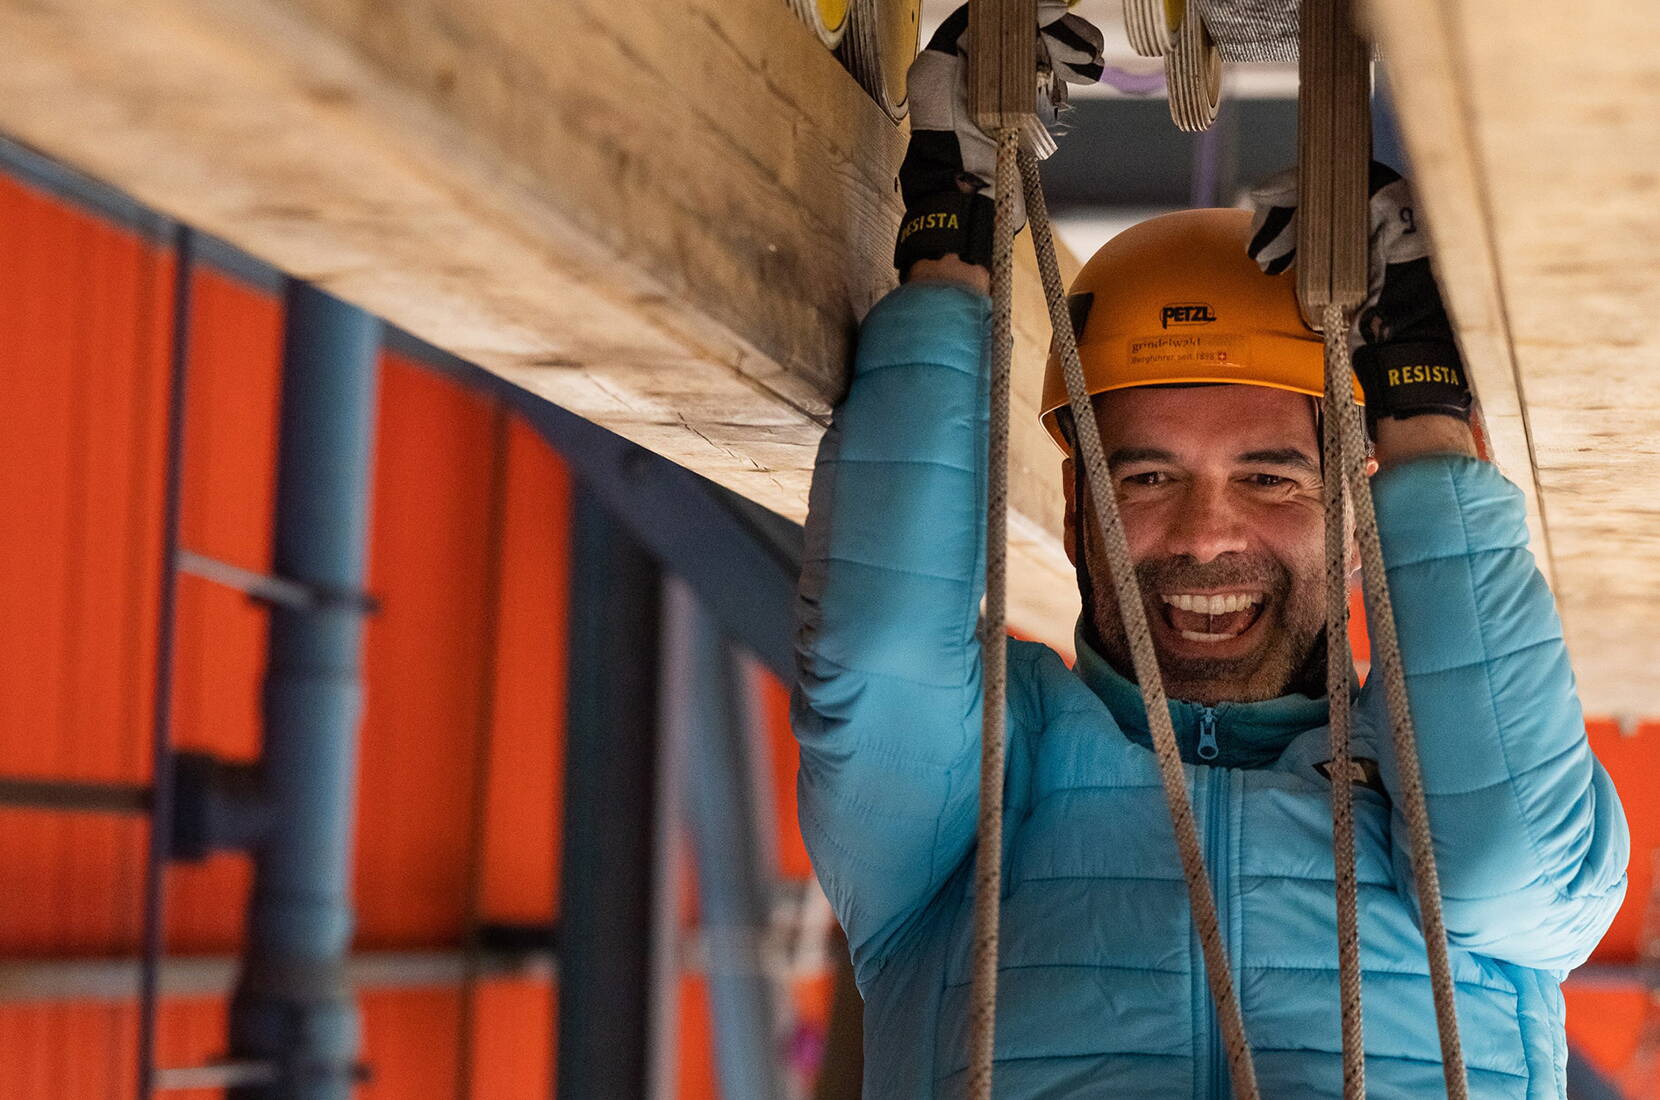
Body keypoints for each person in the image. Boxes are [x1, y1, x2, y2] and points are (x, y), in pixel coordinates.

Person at [791, 6, 1630, 1097]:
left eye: (1269, 477)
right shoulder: (978, 790)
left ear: (1347, 501)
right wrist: (1419, 403)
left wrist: (951, 232)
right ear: (1075, 500)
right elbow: (882, 651)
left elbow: (1517, 854)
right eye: (1144, 477)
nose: (1205, 536)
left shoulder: (1450, 806)